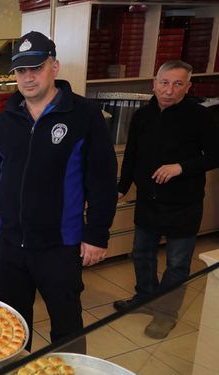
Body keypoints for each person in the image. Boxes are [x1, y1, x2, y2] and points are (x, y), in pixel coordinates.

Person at [0, 31, 118, 352]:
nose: (28, 77)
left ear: (55, 66)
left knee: (66, 326)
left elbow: (103, 180)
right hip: (10, 243)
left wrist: (96, 235)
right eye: (21, 70)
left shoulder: (83, 116)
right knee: (10, 325)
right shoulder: (7, 117)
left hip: (59, 246)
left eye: (36, 67)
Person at [113, 60, 219, 339]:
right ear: (154, 83)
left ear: (188, 87)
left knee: (177, 264)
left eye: (177, 84)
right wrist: (121, 188)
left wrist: (180, 167)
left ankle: (166, 314)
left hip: (184, 203)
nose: (169, 90)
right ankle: (145, 298)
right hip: (149, 200)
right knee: (142, 254)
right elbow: (132, 156)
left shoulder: (200, 116)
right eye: (164, 82)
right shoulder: (143, 116)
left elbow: (215, 155)